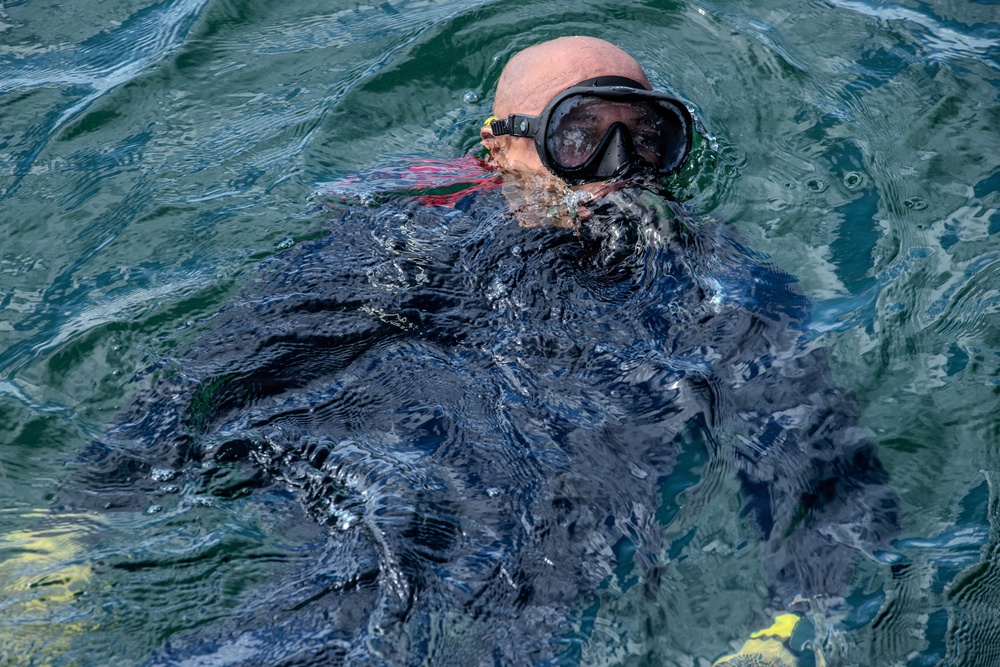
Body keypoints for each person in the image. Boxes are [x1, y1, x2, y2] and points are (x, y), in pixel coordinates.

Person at [57, 36, 897, 667]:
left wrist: (790, 626)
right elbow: (219, 370)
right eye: (580, 136)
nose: (617, 169)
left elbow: (817, 455)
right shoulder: (402, 243)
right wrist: (70, 527)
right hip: (362, 504)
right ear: (499, 151)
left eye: (646, 136)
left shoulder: (715, 282)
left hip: (544, 563)